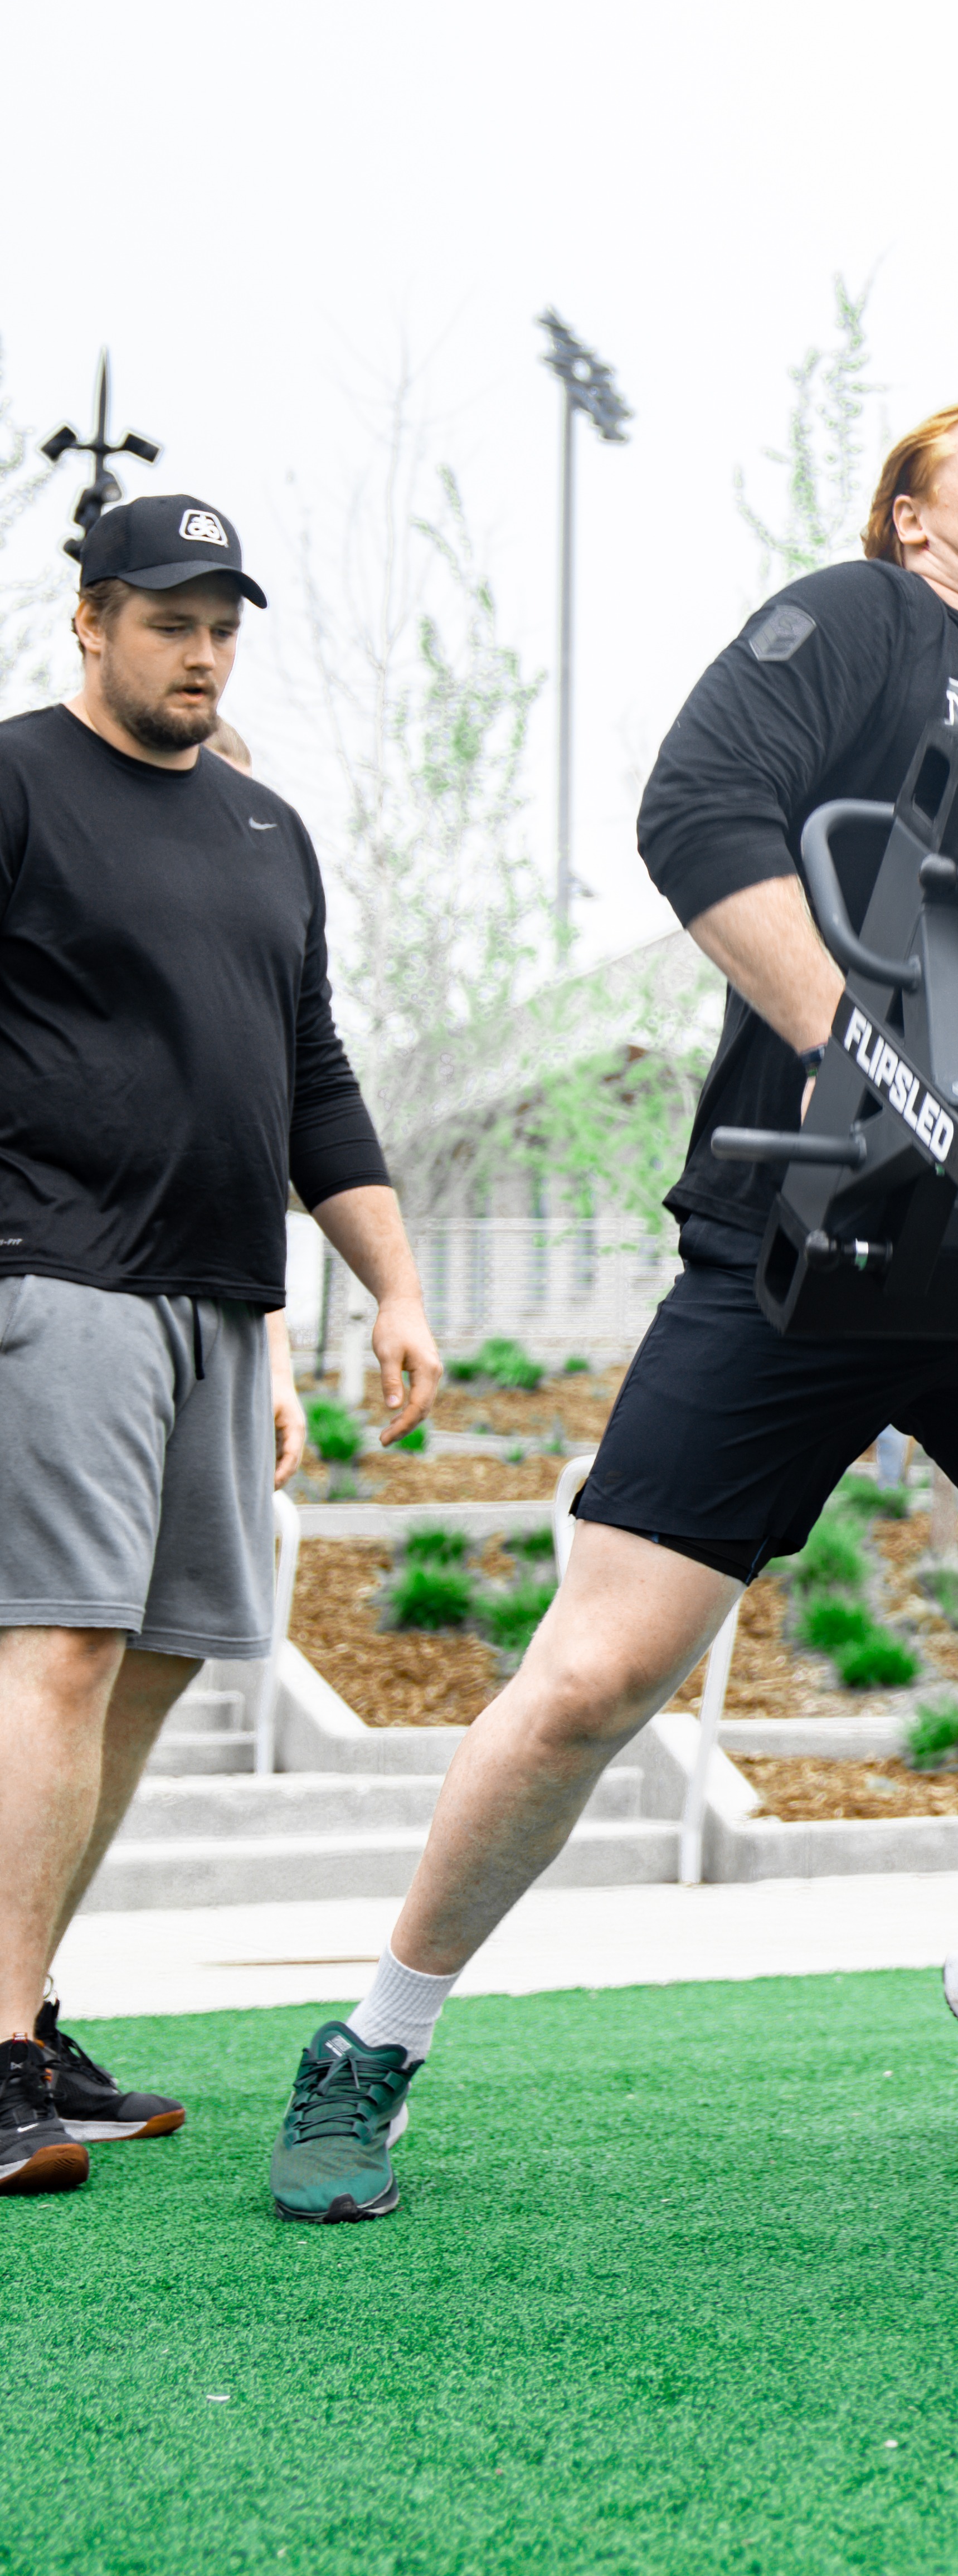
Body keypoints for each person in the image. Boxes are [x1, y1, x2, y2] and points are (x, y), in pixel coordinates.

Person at [268, 400, 958, 2224]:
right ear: (910, 515)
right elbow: (699, 808)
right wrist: (867, 1055)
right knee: (595, 1675)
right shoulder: (859, 631)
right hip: (819, 1231)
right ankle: (372, 2042)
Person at [0, 496, 440, 2199]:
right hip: (56, 1271)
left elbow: (305, 1073)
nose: (201, 650)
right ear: (94, 620)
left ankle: (28, 2008)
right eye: (170, 619)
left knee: (165, 1649)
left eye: (222, 624)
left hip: (212, 1293)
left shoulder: (265, 826)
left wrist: (384, 1286)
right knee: (59, 1650)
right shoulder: (23, 777)